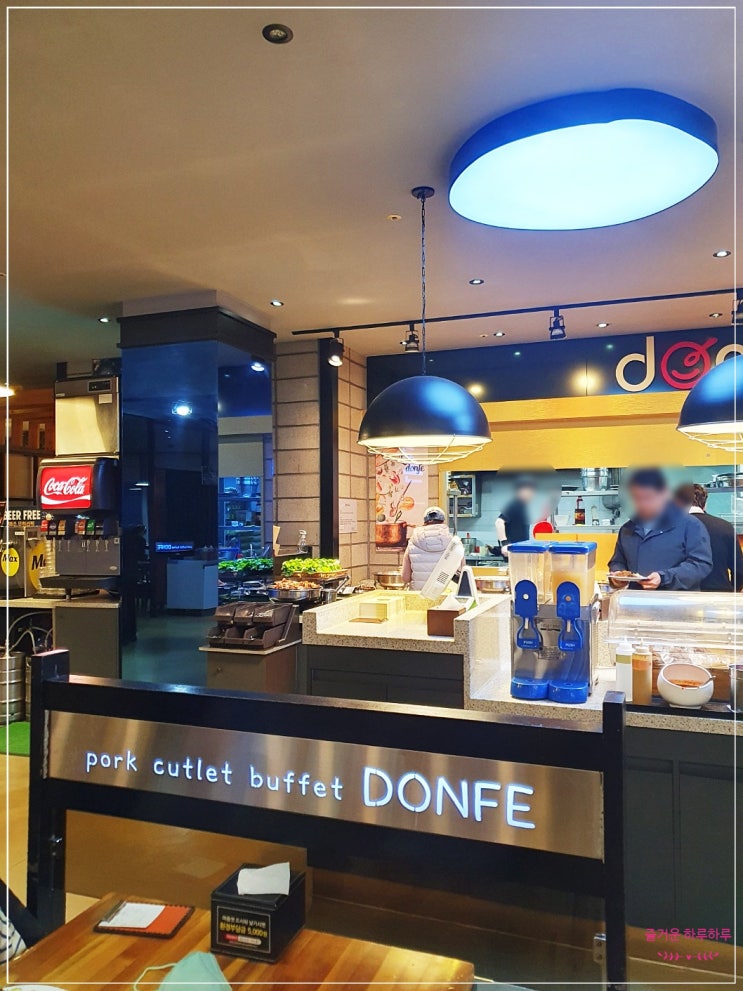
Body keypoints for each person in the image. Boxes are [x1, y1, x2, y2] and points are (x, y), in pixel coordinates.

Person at [609, 468, 712, 590]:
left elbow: (701, 564)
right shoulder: (627, 529)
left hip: (676, 599)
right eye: (636, 498)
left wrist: (664, 578)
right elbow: (618, 561)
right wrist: (617, 575)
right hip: (636, 599)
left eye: (647, 497)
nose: (642, 503)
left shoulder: (690, 525)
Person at [674, 482, 743, 592]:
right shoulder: (725, 527)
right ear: (705, 504)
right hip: (719, 594)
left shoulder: (671, 528)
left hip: (681, 594)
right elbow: (739, 570)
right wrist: (732, 591)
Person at [401, 506, 464, 591]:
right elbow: (463, 575)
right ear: (443, 522)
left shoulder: (412, 543)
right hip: (446, 595)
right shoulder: (455, 544)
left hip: (418, 595)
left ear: (425, 522)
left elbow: (405, 578)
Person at [495, 477, 535, 557]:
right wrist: (505, 544)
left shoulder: (522, 506)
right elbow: (499, 522)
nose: (531, 494)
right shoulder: (515, 505)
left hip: (519, 552)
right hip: (512, 553)